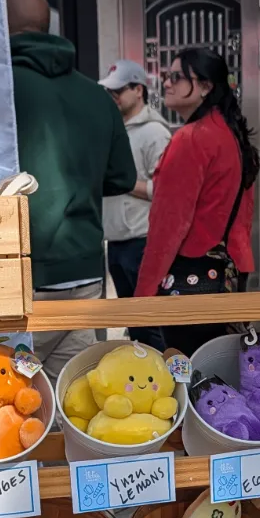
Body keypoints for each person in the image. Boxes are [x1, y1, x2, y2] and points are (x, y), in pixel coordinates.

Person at [7, 0, 136, 377]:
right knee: (72, 400)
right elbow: (122, 177)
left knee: (6, 398)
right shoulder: (96, 96)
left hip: (21, 274)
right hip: (84, 273)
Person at [135, 47, 257, 358]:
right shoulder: (231, 133)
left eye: (177, 77)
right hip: (228, 270)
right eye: (167, 76)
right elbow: (243, 216)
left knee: (187, 375)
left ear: (205, 87)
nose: (167, 83)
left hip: (193, 275)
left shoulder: (191, 138)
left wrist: (143, 295)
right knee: (219, 370)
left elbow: (168, 224)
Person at [100, 59, 170, 345]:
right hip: (117, 242)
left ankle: (167, 384)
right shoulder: (116, 130)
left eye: (119, 90)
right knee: (135, 326)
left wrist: (123, 182)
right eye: (111, 91)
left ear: (138, 89)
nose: (114, 96)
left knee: (151, 325)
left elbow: (167, 191)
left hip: (142, 243)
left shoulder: (155, 132)